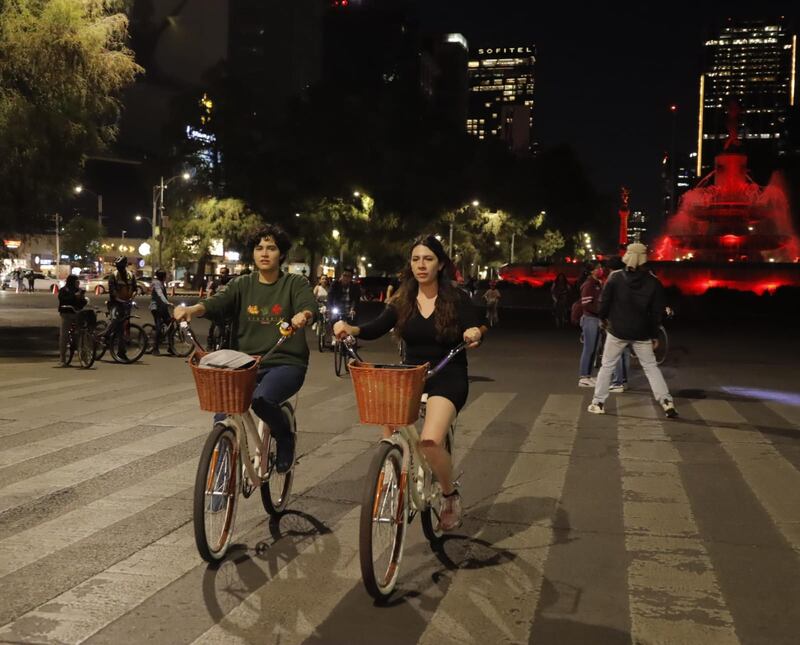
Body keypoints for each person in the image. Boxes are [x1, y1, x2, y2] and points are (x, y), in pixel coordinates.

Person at [333, 235, 484, 531]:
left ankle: (449, 494)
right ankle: (391, 463)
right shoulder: (403, 299)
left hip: (447, 374)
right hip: (411, 375)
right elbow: (376, 327)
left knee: (429, 441)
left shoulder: (455, 298)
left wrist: (474, 333)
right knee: (386, 421)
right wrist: (350, 328)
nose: (421, 265)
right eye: (415, 259)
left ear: (440, 264)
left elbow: (477, 323)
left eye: (428, 259)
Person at [175, 224, 318, 473]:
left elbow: (309, 306)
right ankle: (220, 475)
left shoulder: (295, 283)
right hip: (244, 363)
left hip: (285, 362)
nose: (264, 253)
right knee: (223, 412)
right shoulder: (242, 284)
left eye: (271, 248)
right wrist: (191, 310)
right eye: (259, 248)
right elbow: (217, 302)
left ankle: (284, 437)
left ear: (281, 254)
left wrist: (302, 315)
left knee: (261, 399)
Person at [588, 243, 677, 418]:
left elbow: (604, 304)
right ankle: (666, 402)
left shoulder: (615, 278)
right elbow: (657, 312)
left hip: (617, 331)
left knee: (607, 366)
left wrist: (603, 320)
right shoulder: (654, 282)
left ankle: (598, 402)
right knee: (651, 367)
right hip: (642, 333)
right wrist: (654, 335)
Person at [578, 262, 604, 387]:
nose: (601, 270)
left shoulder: (597, 284)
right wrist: (600, 311)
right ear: (592, 271)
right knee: (589, 348)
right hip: (590, 320)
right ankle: (583, 376)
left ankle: (588, 375)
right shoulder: (588, 285)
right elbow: (586, 304)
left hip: (596, 319)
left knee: (594, 349)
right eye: (598, 268)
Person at [108, 256, 138, 359]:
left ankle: (123, 343)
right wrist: (119, 300)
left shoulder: (130, 275)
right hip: (116, 304)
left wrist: (132, 298)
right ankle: (121, 351)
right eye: (118, 266)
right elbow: (112, 291)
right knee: (118, 326)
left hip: (127, 305)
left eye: (121, 266)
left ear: (125, 265)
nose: (119, 268)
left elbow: (135, 288)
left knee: (126, 325)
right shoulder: (114, 275)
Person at [57, 275, 87, 366]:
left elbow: (83, 303)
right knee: (64, 335)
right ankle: (62, 359)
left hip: (77, 314)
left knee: (80, 335)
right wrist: (74, 297)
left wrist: (81, 298)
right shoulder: (64, 290)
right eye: (76, 281)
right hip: (66, 314)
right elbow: (63, 300)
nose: (77, 283)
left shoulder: (78, 290)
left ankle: (84, 358)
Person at [149, 269, 171, 355]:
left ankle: (171, 347)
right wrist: (167, 302)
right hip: (156, 308)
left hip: (163, 308)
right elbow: (160, 294)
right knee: (158, 327)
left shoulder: (161, 283)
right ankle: (155, 348)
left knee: (170, 325)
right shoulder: (156, 284)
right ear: (163, 277)